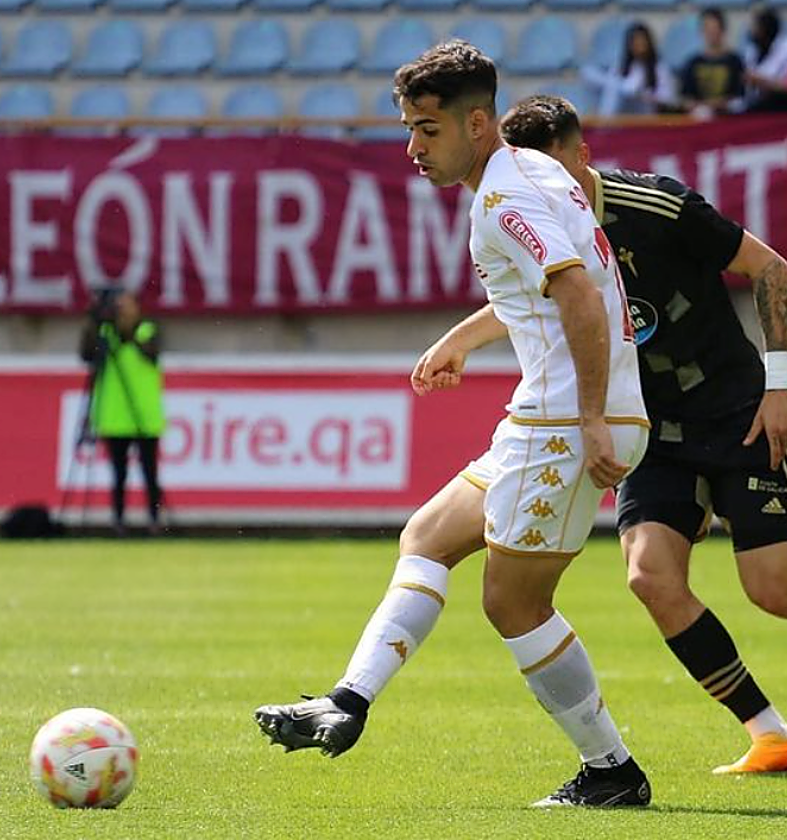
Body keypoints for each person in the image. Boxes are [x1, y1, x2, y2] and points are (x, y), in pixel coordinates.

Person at [254, 41, 654, 809]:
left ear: (477, 124)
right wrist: (459, 340)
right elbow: (551, 290)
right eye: (408, 127)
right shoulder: (537, 171)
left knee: (514, 604)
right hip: (549, 413)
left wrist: (597, 419)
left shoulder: (501, 202)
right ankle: (350, 699)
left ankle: (612, 772)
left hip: (569, 420)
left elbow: (575, 295)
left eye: (427, 129)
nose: (412, 147)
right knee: (427, 537)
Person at [499, 95, 787, 774]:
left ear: (580, 155)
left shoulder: (660, 208)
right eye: (525, 175)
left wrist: (781, 384)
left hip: (738, 412)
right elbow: (522, 304)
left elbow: (770, 268)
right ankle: (773, 735)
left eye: (549, 170)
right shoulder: (536, 229)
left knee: (777, 592)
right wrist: (459, 343)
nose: (541, 189)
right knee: (649, 578)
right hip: (653, 429)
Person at [77, 290, 165, 537]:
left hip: (144, 414)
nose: (122, 311)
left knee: (150, 472)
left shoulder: (148, 329)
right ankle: (118, 520)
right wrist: (92, 322)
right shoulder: (105, 333)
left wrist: (126, 331)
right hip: (115, 415)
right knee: (119, 474)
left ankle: (155, 519)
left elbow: (151, 353)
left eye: (126, 305)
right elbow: (86, 355)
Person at [582, 22, 678, 117]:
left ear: (648, 43)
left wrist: (644, 95)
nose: (639, 45)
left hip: (648, 113)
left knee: (615, 86)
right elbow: (613, 90)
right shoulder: (620, 65)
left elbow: (668, 98)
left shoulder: (659, 67)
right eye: (635, 42)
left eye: (642, 42)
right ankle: (606, 123)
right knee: (610, 85)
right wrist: (625, 88)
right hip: (623, 113)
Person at [680, 7, 747, 120]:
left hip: (728, 117)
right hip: (699, 116)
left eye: (714, 28)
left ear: (722, 30)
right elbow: (686, 97)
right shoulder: (693, 62)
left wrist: (716, 104)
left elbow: (739, 98)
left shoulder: (734, 61)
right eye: (707, 28)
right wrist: (694, 105)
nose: (711, 33)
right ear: (701, 31)